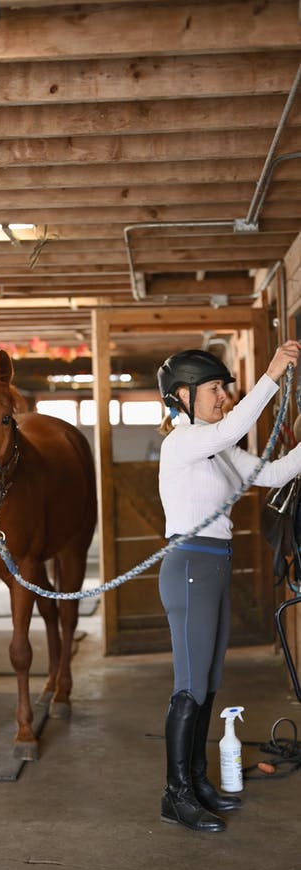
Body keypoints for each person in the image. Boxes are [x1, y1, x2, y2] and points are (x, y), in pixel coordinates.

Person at [156, 340, 301, 833]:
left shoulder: (218, 451)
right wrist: (273, 374)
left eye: (222, 387)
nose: (223, 396)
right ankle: (174, 795)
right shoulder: (185, 442)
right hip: (191, 567)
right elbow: (236, 425)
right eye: (215, 387)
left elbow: (275, 472)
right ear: (182, 395)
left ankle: (195, 780)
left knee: (209, 682)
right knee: (190, 686)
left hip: (213, 567)